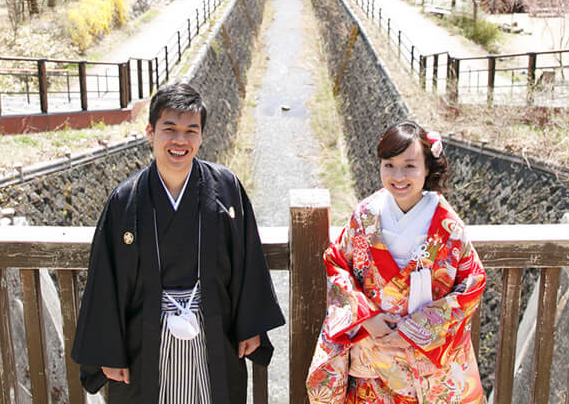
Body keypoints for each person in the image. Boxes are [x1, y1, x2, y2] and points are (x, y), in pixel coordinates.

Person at [72, 82, 285, 403]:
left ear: (201, 136)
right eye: (169, 129)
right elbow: (105, 279)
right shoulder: (125, 200)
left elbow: (247, 259)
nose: (180, 141)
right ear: (150, 132)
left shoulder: (225, 187)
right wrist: (109, 353)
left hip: (212, 328)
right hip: (145, 337)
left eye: (191, 131)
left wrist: (250, 325)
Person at [307, 121, 486, 404]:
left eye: (410, 166)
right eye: (388, 165)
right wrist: (367, 316)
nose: (398, 176)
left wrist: (413, 330)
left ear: (427, 168)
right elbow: (338, 264)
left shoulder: (448, 226)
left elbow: (471, 285)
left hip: (422, 362)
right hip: (371, 347)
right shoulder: (365, 215)